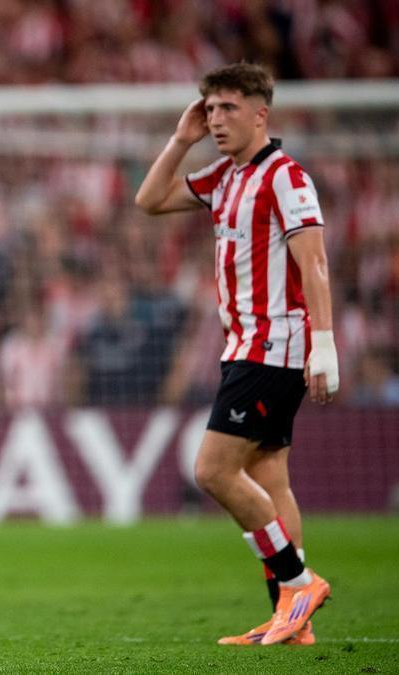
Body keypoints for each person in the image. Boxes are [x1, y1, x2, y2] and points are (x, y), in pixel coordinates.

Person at [135, 62, 338, 646]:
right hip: (242, 345)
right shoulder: (224, 175)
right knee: (269, 474)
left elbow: (314, 263)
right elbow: (149, 201)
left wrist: (323, 344)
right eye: (209, 108)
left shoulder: (286, 177)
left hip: (273, 346)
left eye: (227, 108)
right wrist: (181, 139)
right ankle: (290, 619)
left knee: (213, 470)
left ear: (260, 113)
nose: (216, 119)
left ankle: (298, 585)